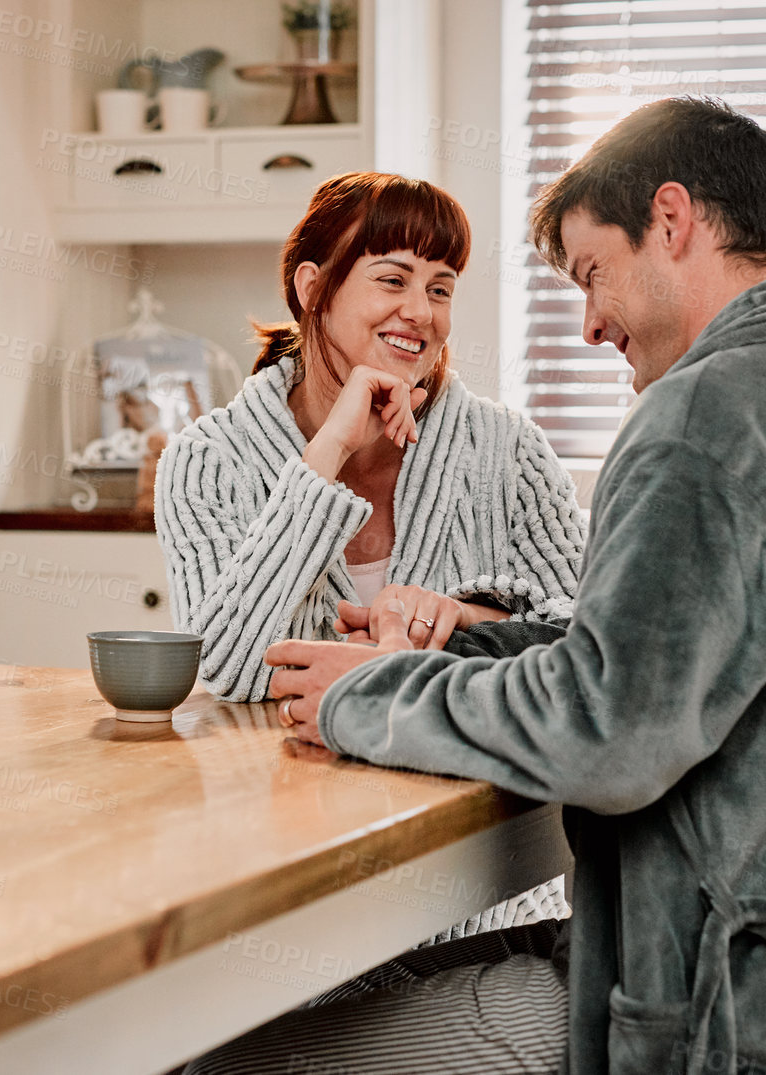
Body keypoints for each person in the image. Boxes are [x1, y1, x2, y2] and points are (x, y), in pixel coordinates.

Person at [205, 98, 766, 1075]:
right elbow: (631, 660)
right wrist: (459, 646)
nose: (590, 323)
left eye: (591, 273)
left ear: (671, 221)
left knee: (216, 1056)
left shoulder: (706, 417)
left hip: (703, 1004)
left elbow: (609, 732)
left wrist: (363, 695)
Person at [154, 171, 586, 938]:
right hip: (287, 886)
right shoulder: (207, 459)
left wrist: (461, 621)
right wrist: (328, 451)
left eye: (441, 287)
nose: (419, 313)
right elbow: (227, 664)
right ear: (313, 287)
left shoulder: (507, 451)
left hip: (487, 897)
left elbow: (593, 642)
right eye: (392, 279)